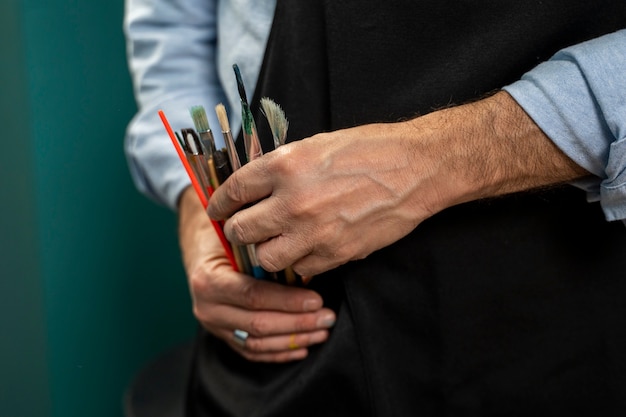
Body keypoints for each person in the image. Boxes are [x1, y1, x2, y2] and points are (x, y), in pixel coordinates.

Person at [124, 0, 626, 415]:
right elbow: (174, 36)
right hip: (282, 360)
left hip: (567, 318)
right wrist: (200, 214)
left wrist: (438, 159)